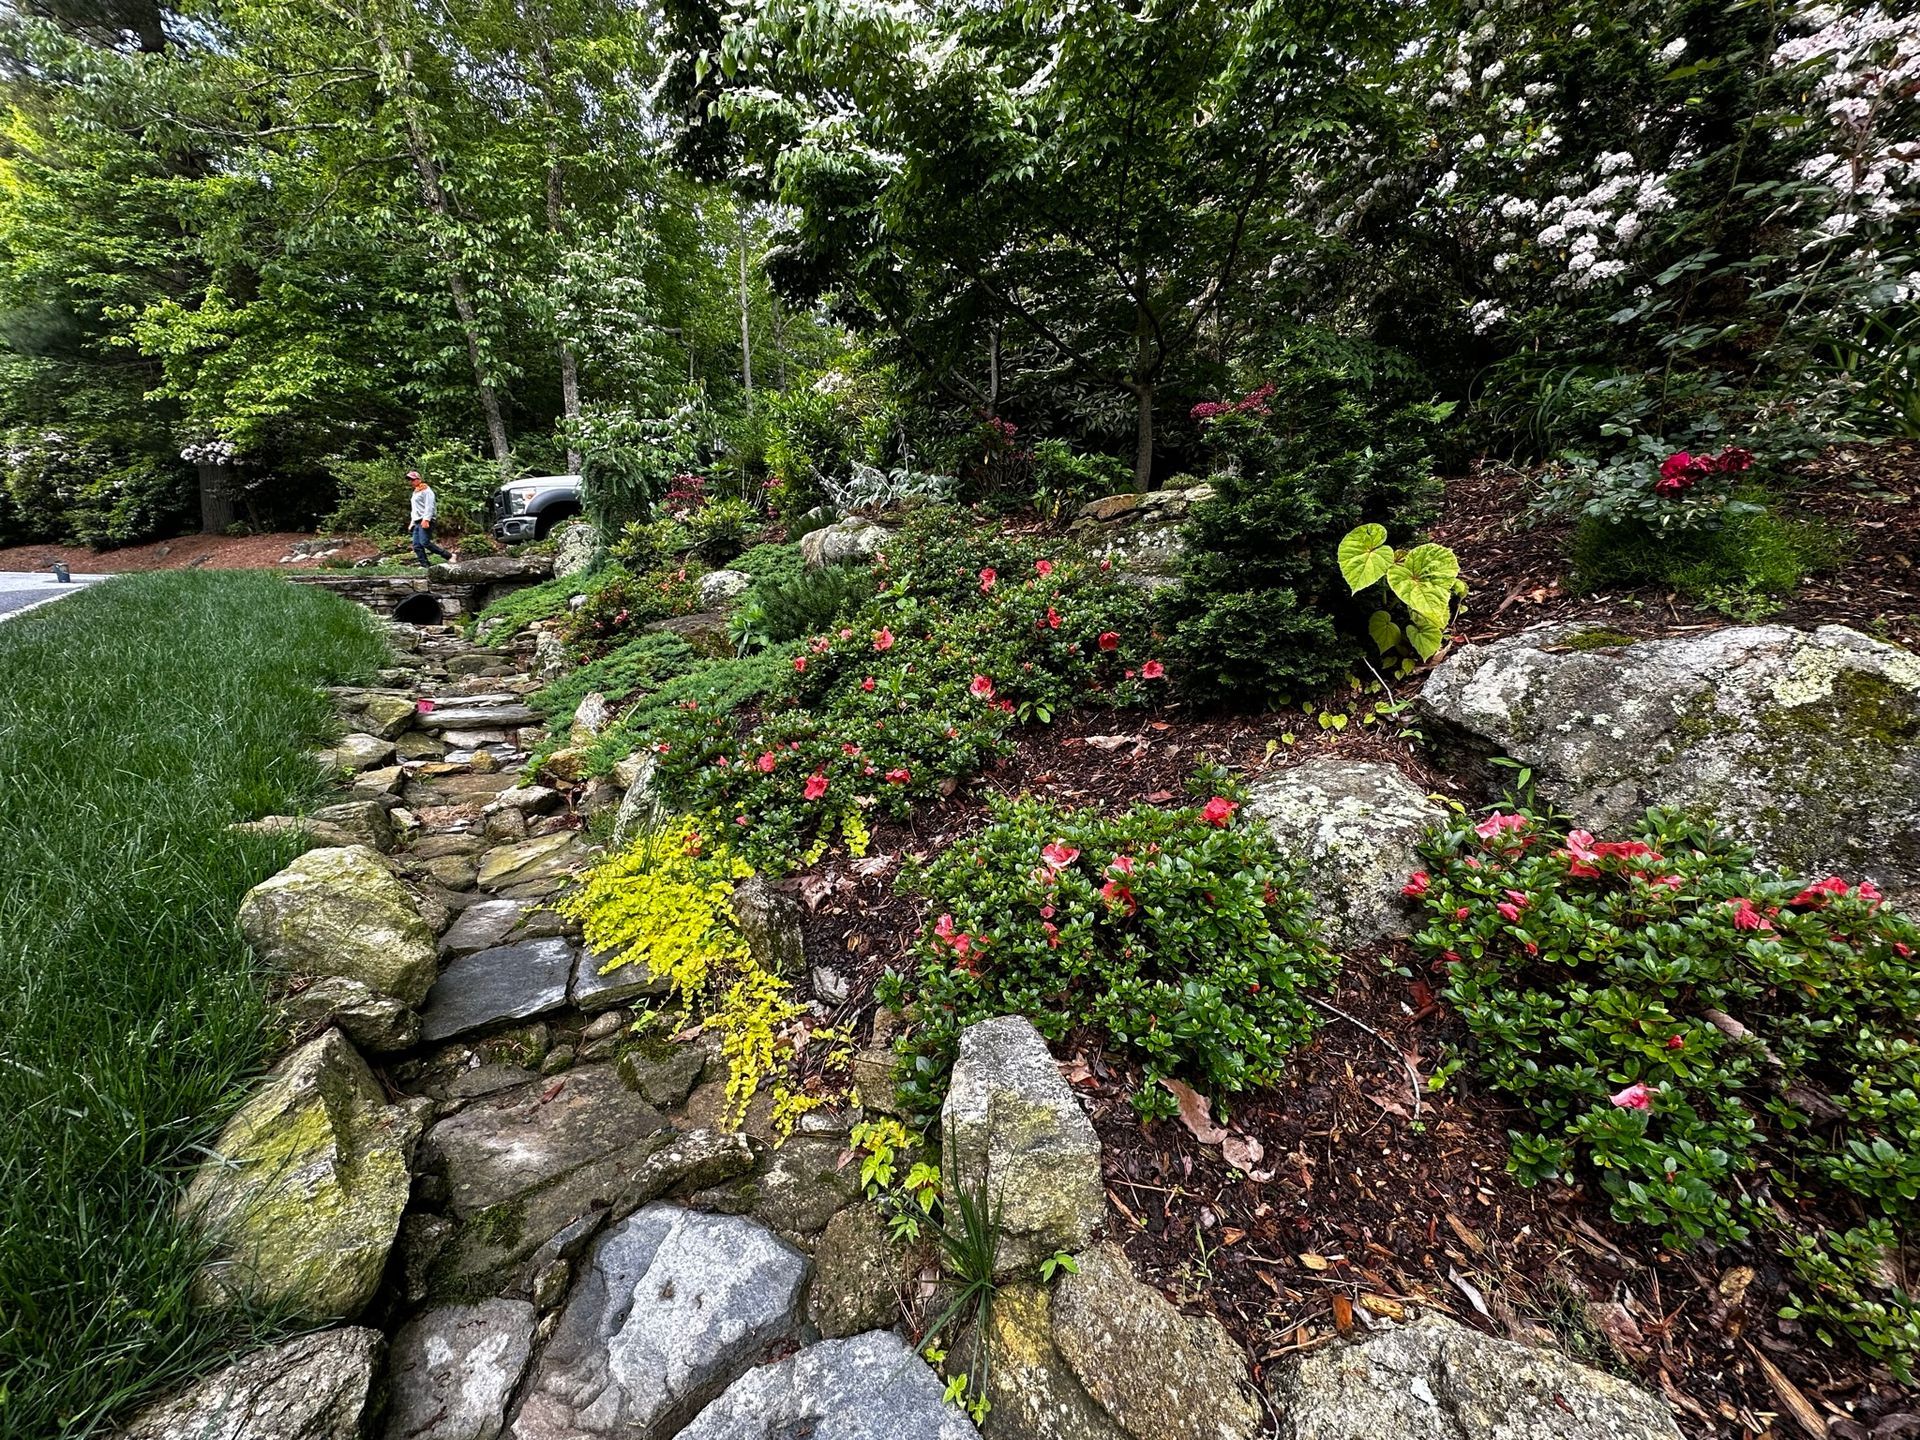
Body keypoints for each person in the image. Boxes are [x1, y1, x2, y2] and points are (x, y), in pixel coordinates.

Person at [407, 470, 456, 567]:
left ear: (419, 479)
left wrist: (426, 519)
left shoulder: (426, 490)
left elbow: (430, 506)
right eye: (409, 480)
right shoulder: (415, 492)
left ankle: (449, 556)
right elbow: (415, 509)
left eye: (412, 479)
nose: (411, 482)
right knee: (417, 545)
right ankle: (425, 565)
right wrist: (412, 523)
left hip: (425, 520)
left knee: (424, 542)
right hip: (417, 521)